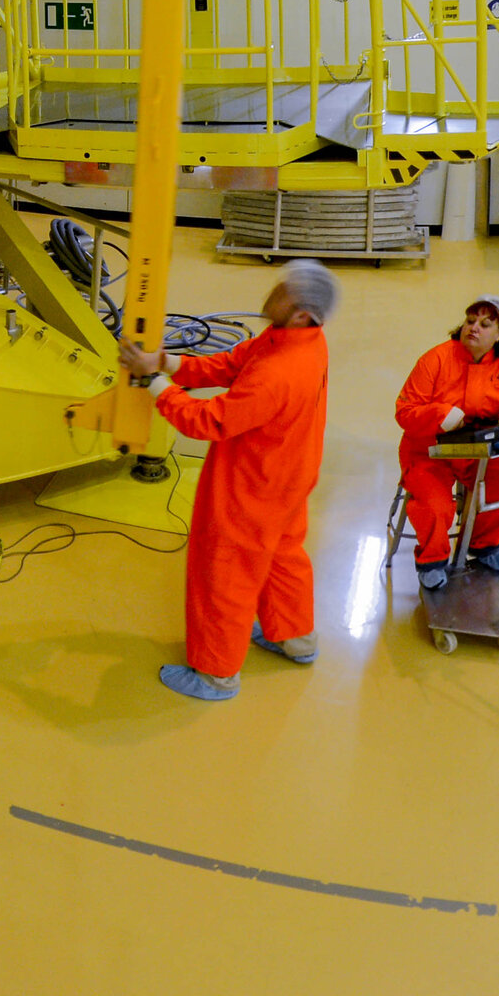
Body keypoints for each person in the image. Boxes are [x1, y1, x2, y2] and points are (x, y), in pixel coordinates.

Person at [118, 259, 338, 703]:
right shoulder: (302, 341)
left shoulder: (279, 374)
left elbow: (209, 421)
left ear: (300, 312)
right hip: (291, 473)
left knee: (226, 572)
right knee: (281, 555)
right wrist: (168, 362)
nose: (271, 293)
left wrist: (154, 382)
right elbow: (238, 361)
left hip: (252, 485)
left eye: (282, 291)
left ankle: (216, 673)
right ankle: (295, 638)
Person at [395, 295, 499, 589]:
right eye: (470, 321)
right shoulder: (435, 359)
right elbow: (404, 412)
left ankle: (484, 546)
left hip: (478, 449)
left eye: (485, 324)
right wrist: (440, 415)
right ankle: (431, 561)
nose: (474, 328)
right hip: (428, 449)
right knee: (435, 506)